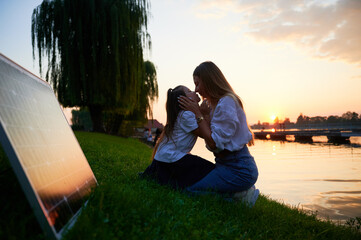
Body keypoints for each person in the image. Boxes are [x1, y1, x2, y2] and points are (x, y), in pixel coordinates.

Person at [178, 61, 259, 206]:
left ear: (209, 80)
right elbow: (211, 135)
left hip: (240, 169)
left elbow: (214, 143)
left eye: (197, 84)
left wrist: (198, 114)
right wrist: (203, 115)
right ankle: (237, 193)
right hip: (225, 164)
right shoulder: (215, 104)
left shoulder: (226, 102)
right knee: (189, 185)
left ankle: (243, 197)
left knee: (191, 192)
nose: (195, 90)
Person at [141, 85, 215, 189]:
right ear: (183, 100)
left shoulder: (183, 115)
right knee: (211, 170)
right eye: (189, 91)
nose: (194, 91)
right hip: (171, 159)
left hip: (165, 158)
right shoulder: (186, 115)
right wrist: (205, 114)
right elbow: (205, 134)